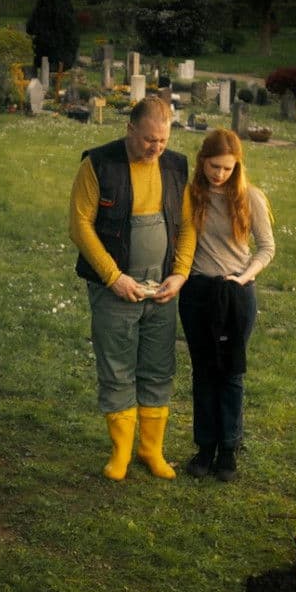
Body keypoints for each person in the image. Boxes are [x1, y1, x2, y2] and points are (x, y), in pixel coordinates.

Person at [68, 97, 195, 481]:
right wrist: (113, 277)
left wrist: (180, 274)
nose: (156, 148)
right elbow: (80, 225)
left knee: (158, 368)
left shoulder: (176, 166)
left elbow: (189, 225)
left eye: (163, 140)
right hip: (115, 288)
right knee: (117, 368)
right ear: (130, 129)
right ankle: (120, 452)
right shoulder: (98, 164)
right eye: (149, 140)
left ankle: (150, 450)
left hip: (162, 288)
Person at [178, 129, 275, 482]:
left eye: (227, 168)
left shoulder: (250, 197)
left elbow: (266, 247)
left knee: (231, 373)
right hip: (198, 292)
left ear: (237, 167)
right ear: (202, 161)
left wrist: (244, 277)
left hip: (236, 292)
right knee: (203, 372)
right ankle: (205, 447)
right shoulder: (192, 195)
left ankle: (229, 450)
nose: (219, 174)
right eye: (214, 166)